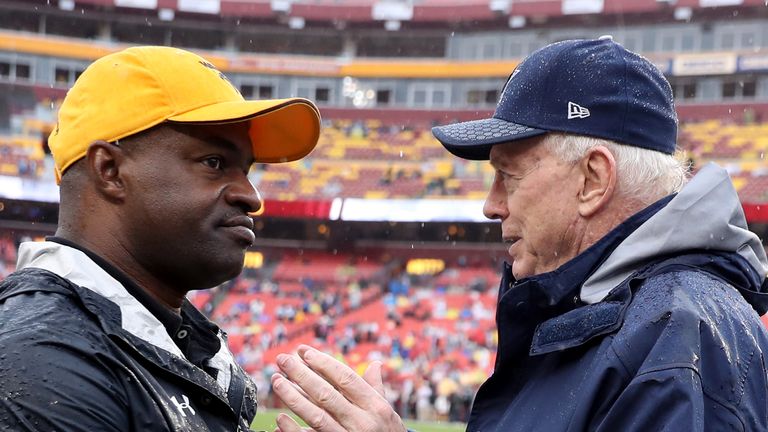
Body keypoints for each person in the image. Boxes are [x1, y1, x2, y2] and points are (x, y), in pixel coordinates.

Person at [269, 37, 768, 431]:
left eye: (508, 175)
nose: (491, 205)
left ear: (593, 179)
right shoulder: (634, 320)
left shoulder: (676, 339)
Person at [0, 46, 320, 431]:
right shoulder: (45, 357)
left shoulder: (155, 336)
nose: (251, 196)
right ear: (110, 170)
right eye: (214, 163)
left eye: (246, 170)